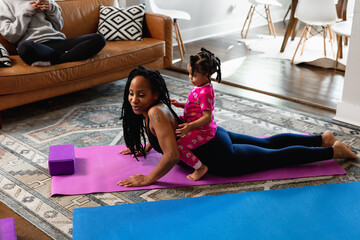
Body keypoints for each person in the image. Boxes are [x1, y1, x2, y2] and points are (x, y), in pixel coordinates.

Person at [117, 66, 357, 187]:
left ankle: (332, 151)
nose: (134, 99)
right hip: (213, 136)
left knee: (276, 157)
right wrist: (148, 146)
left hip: (221, 157)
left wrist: (148, 179)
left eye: (140, 94)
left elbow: (171, 155)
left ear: (154, 93)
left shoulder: (155, 114)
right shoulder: (157, 107)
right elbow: (168, 134)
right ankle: (321, 138)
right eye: (130, 93)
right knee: (267, 142)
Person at [0, 0, 106, 66]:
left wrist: (51, 8)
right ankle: (70, 55)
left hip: (59, 42)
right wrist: (27, 11)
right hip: (37, 46)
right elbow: (11, 36)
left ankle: (56, 60)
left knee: (98, 39)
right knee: (24, 47)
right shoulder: (4, 3)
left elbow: (58, 27)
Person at [170, 48, 221, 181]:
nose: (190, 78)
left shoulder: (205, 92)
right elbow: (194, 106)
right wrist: (180, 104)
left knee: (179, 147)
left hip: (202, 131)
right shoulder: (200, 86)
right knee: (170, 122)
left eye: (193, 75)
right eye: (189, 74)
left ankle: (200, 167)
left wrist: (190, 127)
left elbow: (207, 116)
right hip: (191, 121)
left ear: (207, 74)